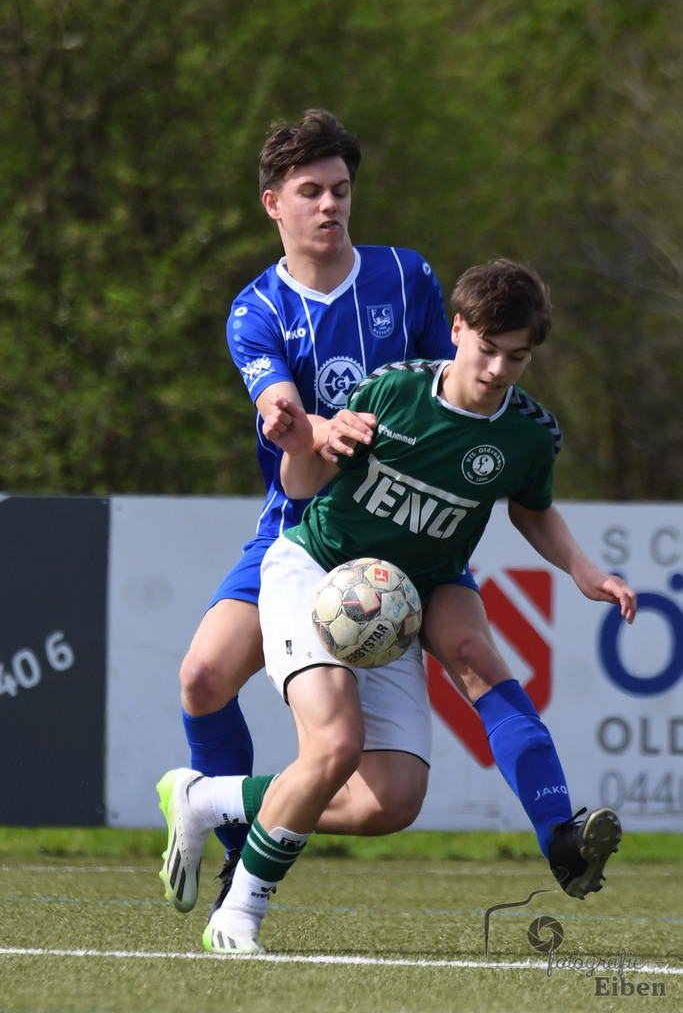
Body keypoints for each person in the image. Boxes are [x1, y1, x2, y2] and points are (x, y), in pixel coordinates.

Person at [159, 258, 637, 955]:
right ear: (457, 329)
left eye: (517, 356)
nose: (498, 369)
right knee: (334, 746)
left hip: (406, 595)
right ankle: (238, 914)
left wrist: (584, 571)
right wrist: (303, 441)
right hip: (319, 574)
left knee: (392, 800)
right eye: (487, 349)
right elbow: (303, 484)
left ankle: (207, 799)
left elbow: (532, 508)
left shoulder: (530, 432)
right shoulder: (393, 391)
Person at [176, 107, 479, 915]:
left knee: (385, 784)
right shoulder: (255, 310)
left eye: (339, 189)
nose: (328, 204)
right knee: (202, 677)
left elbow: (448, 393)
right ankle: (235, 852)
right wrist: (302, 424)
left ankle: (230, 812)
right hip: (297, 526)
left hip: (391, 534)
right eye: (309, 191)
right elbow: (279, 406)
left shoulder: (405, 276)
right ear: (272, 203)